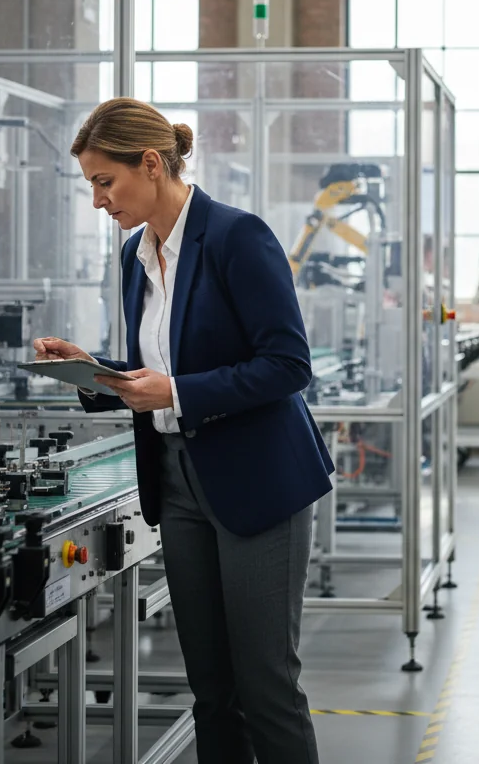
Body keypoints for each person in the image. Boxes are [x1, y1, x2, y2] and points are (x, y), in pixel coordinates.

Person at [33, 97, 331, 764]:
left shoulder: (235, 236)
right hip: (177, 482)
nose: (97, 202)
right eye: (90, 187)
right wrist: (93, 372)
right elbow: (160, 372)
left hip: (259, 485)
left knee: (266, 686)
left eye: (105, 183)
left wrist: (177, 391)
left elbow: (287, 366)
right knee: (211, 690)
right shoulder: (136, 255)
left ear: (150, 164)